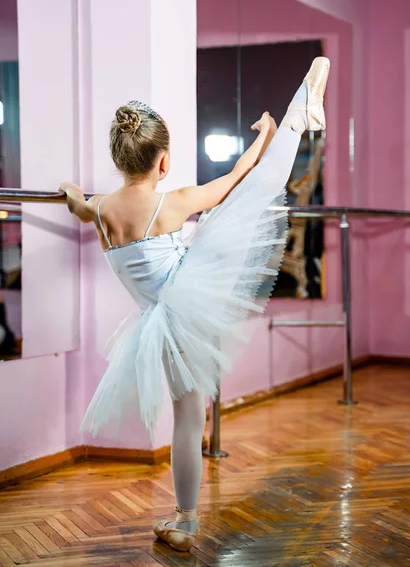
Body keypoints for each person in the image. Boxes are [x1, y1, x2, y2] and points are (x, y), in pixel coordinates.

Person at [60, 57, 330, 552]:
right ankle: (295, 114)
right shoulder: (172, 201)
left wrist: (72, 192)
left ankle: (185, 520)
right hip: (197, 286)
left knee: (187, 419)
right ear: (163, 161)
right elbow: (238, 177)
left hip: (161, 323)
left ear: (120, 161)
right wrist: (262, 137)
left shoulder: (100, 210)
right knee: (251, 199)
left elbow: (79, 206)